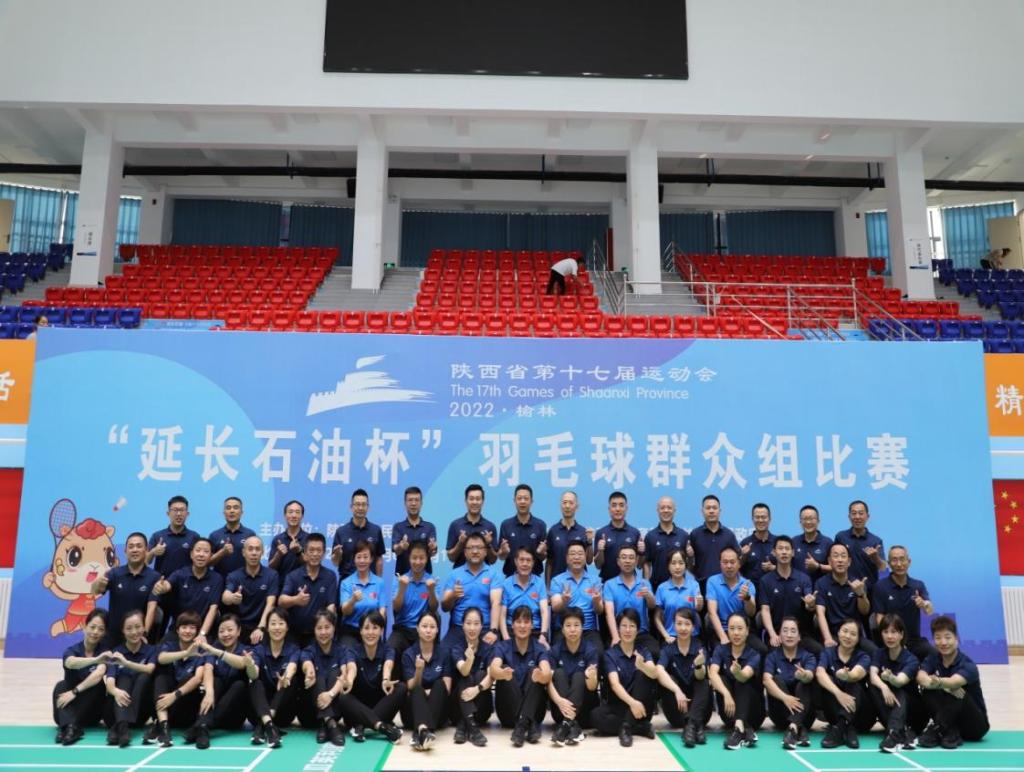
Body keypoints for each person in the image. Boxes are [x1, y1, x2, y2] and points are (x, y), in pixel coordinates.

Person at [916, 615, 990, 748]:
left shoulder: (968, 664)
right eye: (938, 638)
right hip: (951, 721)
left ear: (957, 638)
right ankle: (949, 731)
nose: (943, 642)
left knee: (957, 691)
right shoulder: (933, 658)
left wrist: (941, 684)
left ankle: (938, 728)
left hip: (975, 726)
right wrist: (942, 685)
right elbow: (920, 677)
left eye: (947, 637)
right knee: (927, 690)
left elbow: (954, 682)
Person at [333, 611, 404, 743]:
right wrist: (349, 681)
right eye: (366, 628)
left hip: (379, 706)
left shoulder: (388, 649)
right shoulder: (352, 650)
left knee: (400, 688)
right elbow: (352, 667)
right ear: (360, 631)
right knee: (343, 696)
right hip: (357, 708)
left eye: (375, 628)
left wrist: (386, 680)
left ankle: (361, 726)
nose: (370, 632)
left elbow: (388, 665)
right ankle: (382, 727)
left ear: (381, 631)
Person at [590, 608, 658, 748]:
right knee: (595, 716)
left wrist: (642, 666)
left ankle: (626, 727)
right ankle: (639, 727)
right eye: (624, 626)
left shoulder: (643, 651)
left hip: (642, 707)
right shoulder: (610, 654)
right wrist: (633, 703)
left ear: (637, 630)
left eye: (632, 626)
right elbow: (615, 685)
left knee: (643, 673)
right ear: (618, 629)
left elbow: (654, 673)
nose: (627, 630)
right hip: (621, 705)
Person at [149, 610, 213, 749]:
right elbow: (161, 658)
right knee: (161, 676)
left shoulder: (202, 651)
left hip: (185, 704)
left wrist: (174, 695)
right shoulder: (169, 645)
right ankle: (164, 727)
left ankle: (158, 724)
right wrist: (185, 653)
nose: (187, 631)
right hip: (166, 706)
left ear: (197, 631)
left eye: (192, 628)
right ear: (177, 630)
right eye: (184, 627)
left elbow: (198, 678)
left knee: (189, 677)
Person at [490, 605, 549, 746]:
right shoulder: (502, 646)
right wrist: (502, 674)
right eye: (518, 622)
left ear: (532, 625)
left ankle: (522, 724)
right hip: (508, 714)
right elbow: (493, 669)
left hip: (535, 712)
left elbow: (547, 674)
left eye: (526, 622)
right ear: (512, 625)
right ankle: (527, 721)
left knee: (535, 670)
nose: (522, 626)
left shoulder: (539, 648)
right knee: (505, 669)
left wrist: (540, 676)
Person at [147, 538, 224, 640]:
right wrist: (162, 587)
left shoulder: (216, 579)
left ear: (211, 555)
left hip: (202, 632)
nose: (201, 554)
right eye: (198, 550)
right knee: (161, 649)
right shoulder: (180, 574)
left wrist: (202, 634)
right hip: (178, 630)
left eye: (206, 551)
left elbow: (213, 609)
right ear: (191, 554)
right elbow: (167, 585)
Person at [656, 608, 711, 748]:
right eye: (679, 623)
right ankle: (695, 726)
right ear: (674, 625)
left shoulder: (699, 647)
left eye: (687, 624)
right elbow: (659, 670)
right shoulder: (668, 648)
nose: (683, 628)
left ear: (693, 627)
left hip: (700, 712)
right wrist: (677, 691)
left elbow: (702, 675)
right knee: (669, 679)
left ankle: (690, 725)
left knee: (703, 682)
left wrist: (698, 665)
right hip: (676, 713)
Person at [544, 607, 599, 746]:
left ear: (582, 628)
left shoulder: (591, 650)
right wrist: (558, 701)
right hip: (560, 709)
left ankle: (565, 726)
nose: (572, 629)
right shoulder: (555, 651)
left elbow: (592, 688)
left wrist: (591, 677)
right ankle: (571, 725)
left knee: (580, 676)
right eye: (568, 625)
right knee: (559, 673)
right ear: (562, 629)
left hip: (584, 710)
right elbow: (548, 682)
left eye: (576, 625)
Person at [53, 608, 109, 746]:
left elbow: (99, 674)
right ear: (84, 626)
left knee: (98, 686)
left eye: (101, 629)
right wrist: (95, 660)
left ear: (105, 633)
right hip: (68, 709)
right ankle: (70, 727)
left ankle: (68, 727)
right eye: (92, 627)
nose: (95, 632)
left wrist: (75, 692)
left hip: (91, 713)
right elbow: (70, 663)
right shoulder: (72, 650)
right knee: (60, 685)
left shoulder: (105, 651)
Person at [91, 531, 161, 641]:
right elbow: (95, 591)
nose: (134, 550)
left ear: (146, 550)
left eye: (139, 546)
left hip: (137, 636)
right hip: (114, 637)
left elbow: (151, 608)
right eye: (131, 547)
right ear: (125, 551)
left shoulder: (154, 577)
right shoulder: (114, 573)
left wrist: (144, 633)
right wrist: (98, 582)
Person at [201, 613, 259, 743]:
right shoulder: (214, 648)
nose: (226, 634)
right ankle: (203, 726)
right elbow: (208, 668)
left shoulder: (246, 650)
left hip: (234, 716)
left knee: (239, 685)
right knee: (215, 681)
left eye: (230, 630)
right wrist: (209, 693)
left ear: (238, 631)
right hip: (213, 706)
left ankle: (202, 726)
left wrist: (249, 664)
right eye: (221, 631)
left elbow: (246, 667)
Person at [708, 613, 763, 750]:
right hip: (729, 711)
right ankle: (745, 729)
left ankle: (739, 729)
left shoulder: (754, 654)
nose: (736, 633)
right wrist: (726, 694)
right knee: (722, 679)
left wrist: (738, 672)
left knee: (741, 681)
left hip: (753, 714)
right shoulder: (721, 650)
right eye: (732, 628)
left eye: (740, 628)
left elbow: (744, 676)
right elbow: (712, 673)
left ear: (747, 631)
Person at [816, 617, 873, 749]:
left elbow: (857, 674)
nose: (848, 636)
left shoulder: (863, 656)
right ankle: (848, 729)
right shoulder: (828, 653)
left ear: (858, 639)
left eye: (853, 634)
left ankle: (840, 728)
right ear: (838, 632)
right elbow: (819, 673)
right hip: (834, 712)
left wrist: (848, 676)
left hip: (861, 716)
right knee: (828, 681)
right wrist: (838, 693)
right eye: (845, 631)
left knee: (854, 684)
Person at [103, 609, 156, 747]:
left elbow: (149, 669)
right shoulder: (116, 652)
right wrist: (116, 692)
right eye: (129, 628)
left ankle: (119, 726)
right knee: (124, 679)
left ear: (144, 628)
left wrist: (126, 663)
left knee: (143, 676)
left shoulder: (151, 650)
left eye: (138, 627)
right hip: (116, 710)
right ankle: (122, 726)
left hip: (139, 714)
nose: (134, 632)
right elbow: (110, 682)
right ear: (123, 631)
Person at [872, 545, 936, 660]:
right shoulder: (880, 586)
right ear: (889, 563)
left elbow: (929, 610)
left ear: (909, 561)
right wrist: (892, 639)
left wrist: (924, 604)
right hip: (891, 641)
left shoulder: (918, 585)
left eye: (902, 559)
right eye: (894, 560)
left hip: (914, 641)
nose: (899, 564)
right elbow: (879, 619)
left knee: (935, 655)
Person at [870, 613, 923, 753]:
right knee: (874, 687)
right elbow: (873, 675)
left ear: (901, 634)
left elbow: (900, 681)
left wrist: (890, 678)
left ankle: (894, 733)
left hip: (913, 712)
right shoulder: (879, 653)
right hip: (892, 710)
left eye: (894, 632)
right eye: (885, 632)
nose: (889, 636)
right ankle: (900, 731)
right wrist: (884, 686)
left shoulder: (911, 659)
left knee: (900, 691)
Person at [248, 608, 300, 748]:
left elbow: (293, 666)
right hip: (258, 711)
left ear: (287, 627)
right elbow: (254, 673)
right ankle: (269, 726)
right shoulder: (258, 650)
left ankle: (263, 725)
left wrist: (286, 677)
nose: (277, 627)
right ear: (267, 628)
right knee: (254, 681)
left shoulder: (293, 649)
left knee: (291, 681)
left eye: (281, 623)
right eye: (273, 623)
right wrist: (250, 665)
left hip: (282, 714)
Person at [762, 617, 816, 750]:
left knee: (804, 683)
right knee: (776, 679)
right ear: (780, 635)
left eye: (793, 631)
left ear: (799, 637)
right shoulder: (772, 656)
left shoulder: (808, 656)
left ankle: (793, 727)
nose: (789, 635)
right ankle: (799, 727)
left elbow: (810, 675)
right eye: (785, 631)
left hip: (806, 716)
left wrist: (804, 676)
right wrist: (785, 698)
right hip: (780, 716)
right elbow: (766, 680)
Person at [758, 535, 818, 654]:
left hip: (801, 633)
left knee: (819, 651)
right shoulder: (765, 580)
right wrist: (772, 634)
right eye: (780, 548)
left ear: (793, 552)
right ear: (774, 552)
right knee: (772, 654)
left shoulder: (804, 579)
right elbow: (765, 610)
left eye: (787, 549)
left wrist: (811, 604)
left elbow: (809, 604)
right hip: (777, 633)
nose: (784, 552)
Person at [441, 533, 500, 649]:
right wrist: (453, 595)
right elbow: (444, 607)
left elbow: (496, 603)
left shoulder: (493, 575)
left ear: (485, 551)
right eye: (471, 548)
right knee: (442, 653)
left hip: (484, 628)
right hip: (458, 628)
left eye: (479, 547)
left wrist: (493, 630)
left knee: (497, 655)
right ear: (465, 552)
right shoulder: (454, 575)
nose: (475, 551)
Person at [278, 533, 338, 648]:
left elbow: (331, 606)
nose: (315, 554)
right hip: (293, 634)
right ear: (305, 552)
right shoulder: (293, 576)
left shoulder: (330, 576)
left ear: (324, 553)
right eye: (311, 550)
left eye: (318, 550)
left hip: (318, 635)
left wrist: (326, 628)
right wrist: (296, 600)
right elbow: (281, 601)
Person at [402, 611, 450, 751]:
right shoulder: (408, 654)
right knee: (417, 688)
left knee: (440, 684)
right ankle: (425, 731)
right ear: (417, 629)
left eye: (432, 627)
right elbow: (410, 686)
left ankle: (420, 731)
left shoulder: (444, 653)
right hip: (413, 713)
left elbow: (447, 688)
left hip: (438, 712)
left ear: (437, 630)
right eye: (424, 626)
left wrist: (428, 692)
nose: (428, 630)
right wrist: (418, 671)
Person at [814, 543, 874, 654]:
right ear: (829, 561)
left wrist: (861, 594)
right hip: (833, 634)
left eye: (843, 556)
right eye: (836, 556)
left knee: (875, 652)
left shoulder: (857, 583)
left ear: (849, 561)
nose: (840, 560)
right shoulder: (821, 583)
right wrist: (828, 638)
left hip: (854, 635)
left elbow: (864, 611)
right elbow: (820, 613)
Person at [299, 609, 348, 746]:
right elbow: (306, 664)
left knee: (335, 672)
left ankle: (324, 723)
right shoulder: (309, 650)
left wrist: (330, 694)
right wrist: (309, 672)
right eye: (319, 628)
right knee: (317, 675)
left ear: (334, 628)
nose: (323, 632)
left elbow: (344, 674)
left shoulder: (341, 650)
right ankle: (331, 724)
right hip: (310, 713)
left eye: (327, 627)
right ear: (314, 630)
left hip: (335, 707)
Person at [602, 543, 658, 657]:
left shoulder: (644, 583)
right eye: (624, 557)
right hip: (620, 633)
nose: (627, 561)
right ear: (618, 561)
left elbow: (652, 606)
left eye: (631, 557)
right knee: (611, 656)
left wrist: (649, 595)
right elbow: (609, 613)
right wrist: (615, 637)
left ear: (636, 561)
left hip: (641, 633)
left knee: (655, 652)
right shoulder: (609, 584)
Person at [548, 540, 604, 653]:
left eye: (580, 554)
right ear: (567, 558)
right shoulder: (557, 580)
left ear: (585, 557)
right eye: (573, 554)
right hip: (564, 629)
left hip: (588, 630)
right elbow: (555, 608)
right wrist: (564, 600)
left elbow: (599, 611)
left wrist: (596, 602)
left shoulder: (595, 581)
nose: (576, 557)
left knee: (599, 653)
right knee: (556, 654)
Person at [222, 535, 279, 645]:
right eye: (250, 549)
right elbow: (225, 597)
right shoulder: (234, 576)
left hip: (261, 625)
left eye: (257, 549)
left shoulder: (272, 575)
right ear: (243, 552)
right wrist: (232, 598)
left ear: (262, 552)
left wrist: (260, 628)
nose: (254, 553)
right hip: (239, 627)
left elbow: (270, 604)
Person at [706, 547, 763, 654]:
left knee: (761, 649)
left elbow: (751, 613)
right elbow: (712, 612)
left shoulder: (747, 584)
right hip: (722, 629)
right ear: (720, 564)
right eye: (725, 562)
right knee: (721, 652)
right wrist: (723, 637)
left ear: (739, 564)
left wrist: (747, 598)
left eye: (732, 562)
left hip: (742, 630)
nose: (729, 566)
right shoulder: (712, 581)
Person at [450, 606, 493, 747]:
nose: (472, 628)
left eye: (476, 623)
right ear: (462, 625)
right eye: (468, 623)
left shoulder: (488, 648)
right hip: (458, 709)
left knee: (481, 674)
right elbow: (464, 671)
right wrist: (469, 659)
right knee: (466, 677)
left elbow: (491, 676)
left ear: (482, 626)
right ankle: (473, 728)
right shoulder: (457, 648)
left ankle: (464, 726)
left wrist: (477, 689)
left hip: (482, 709)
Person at [387, 541, 438, 656]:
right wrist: (402, 589)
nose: (418, 562)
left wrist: (431, 591)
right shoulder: (399, 580)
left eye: (421, 558)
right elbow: (396, 608)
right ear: (409, 559)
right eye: (414, 558)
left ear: (427, 559)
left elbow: (434, 608)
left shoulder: (432, 581)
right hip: (402, 630)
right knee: (390, 650)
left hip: (423, 630)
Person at [337, 540, 386, 648]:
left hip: (372, 630)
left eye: (365, 557)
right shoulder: (346, 583)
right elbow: (345, 611)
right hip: (351, 631)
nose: (362, 561)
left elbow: (382, 611)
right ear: (354, 559)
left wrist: (378, 629)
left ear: (371, 559)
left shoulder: (379, 582)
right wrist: (353, 600)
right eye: (358, 557)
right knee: (347, 653)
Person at [686, 494, 740, 589]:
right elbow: (689, 565)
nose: (711, 511)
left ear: (719, 511)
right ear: (702, 511)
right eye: (708, 508)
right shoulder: (695, 534)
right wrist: (690, 557)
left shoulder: (729, 535)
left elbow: (737, 561)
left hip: (724, 586)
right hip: (702, 585)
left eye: (714, 508)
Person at [498, 548, 550, 645]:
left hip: (535, 630)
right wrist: (506, 638)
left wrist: (543, 635)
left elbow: (544, 611)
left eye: (528, 560)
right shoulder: (506, 584)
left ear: (533, 563)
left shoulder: (539, 583)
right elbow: (502, 615)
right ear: (515, 561)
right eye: (521, 560)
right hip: (511, 630)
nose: (525, 564)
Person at [654, 548, 703, 647]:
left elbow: (698, 608)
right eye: (673, 563)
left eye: (681, 563)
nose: (677, 567)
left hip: (692, 636)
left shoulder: (694, 585)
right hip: (671, 637)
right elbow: (657, 617)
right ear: (668, 566)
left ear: (686, 565)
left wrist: (700, 604)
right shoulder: (662, 588)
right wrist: (666, 636)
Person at [331, 489, 385, 579]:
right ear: (351, 507)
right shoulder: (341, 531)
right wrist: (337, 555)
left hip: (369, 582)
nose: (360, 508)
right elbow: (335, 563)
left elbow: (379, 559)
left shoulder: (376, 530)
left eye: (363, 504)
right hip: (347, 582)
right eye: (357, 504)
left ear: (368, 507)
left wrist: (378, 582)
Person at [497, 484, 547, 577]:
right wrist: (504, 552)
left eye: (526, 498)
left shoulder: (540, 525)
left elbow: (543, 557)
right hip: (511, 578)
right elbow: (501, 557)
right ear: (514, 501)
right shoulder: (506, 525)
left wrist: (541, 553)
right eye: (519, 498)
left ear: (531, 501)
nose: (522, 501)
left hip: (534, 579)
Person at [834, 500, 886, 590]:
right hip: (844, 588)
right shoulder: (841, 537)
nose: (857, 517)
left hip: (869, 590)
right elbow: (834, 562)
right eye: (854, 513)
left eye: (861, 513)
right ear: (849, 516)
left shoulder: (876, 541)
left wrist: (875, 558)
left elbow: (883, 568)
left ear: (867, 516)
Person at [544, 491, 593, 586]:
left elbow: (589, 561)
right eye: (564, 502)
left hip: (579, 584)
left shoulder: (583, 531)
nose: (567, 506)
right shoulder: (553, 531)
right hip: (557, 585)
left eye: (571, 503)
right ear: (560, 506)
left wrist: (590, 542)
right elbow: (549, 562)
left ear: (577, 506)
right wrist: (548, 587)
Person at [593, 490, 642, 583]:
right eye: (614, 505)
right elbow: (598, 565)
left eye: (621, 505)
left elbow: (639, 565)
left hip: (630, 584)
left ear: (626, 508)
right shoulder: (601, 533)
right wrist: (600, 551)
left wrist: (641, 552)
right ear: (609, 509)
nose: (617, 509)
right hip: (607, 583)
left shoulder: (635, 533)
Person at [147, 495, 202, 578]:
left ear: (187, 514)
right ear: (168, 513)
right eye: (175, 510)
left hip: (187, 583)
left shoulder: (194, 536)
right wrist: (153, 552)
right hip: (162, 582)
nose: (179, 514)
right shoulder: (157, 536)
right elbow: (146, 561)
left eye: (182, 510)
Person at [446, 483, 499, 568]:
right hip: (460, 574)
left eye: (478, 499)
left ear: (482, 501)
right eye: (471, 499)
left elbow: (493, 560)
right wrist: (460, 543)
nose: (474, 502)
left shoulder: (490, 527)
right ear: (466, 501)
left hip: (484, 575)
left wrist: (488, 544)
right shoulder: (455, 525)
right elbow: (451, 558)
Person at [643, 496, 688, 590]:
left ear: (674, 510)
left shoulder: (683, 535)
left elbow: (688, 562)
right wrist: (647, 585)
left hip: (679, 589)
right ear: (657, 511)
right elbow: (647, 563)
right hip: (656, 588)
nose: (666, 510)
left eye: (669, 507)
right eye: (662, 508)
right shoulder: (650, 536)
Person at [391, 487, 438, 576]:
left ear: (421, 503)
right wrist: (401, 546)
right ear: (405, 503)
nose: (413, 503)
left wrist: (432, 548)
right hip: (402, 577)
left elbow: (432, 553)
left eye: (416, 500)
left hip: (424, 579)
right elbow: (396, 550)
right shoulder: (398, 527)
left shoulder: (429, 527)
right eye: (410, 500)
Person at [208, 496, 256, 579]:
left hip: (244, 581)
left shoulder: (250, 534)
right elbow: (207, 563)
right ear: (224, 512)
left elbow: (255, 560)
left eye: (236, 508)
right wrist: (222, 552)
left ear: (241, 512)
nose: (232, 511)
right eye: (228, 508)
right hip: (220, 582)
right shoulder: (214, 535)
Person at [791, 505, 833, 583]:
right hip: (797, 588)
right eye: (805, 519)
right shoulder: (793, 542)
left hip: (820, 588)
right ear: (800, 522)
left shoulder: (827, 543)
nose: (808, 522)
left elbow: (835, 568)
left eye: (811, 519)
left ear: (818, 521)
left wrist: (818, 566)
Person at [268, 500, 308, 579]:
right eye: (290, 512)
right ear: (285, 515)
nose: (294, 515)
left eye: (297, 512)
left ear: (302, 516)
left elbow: (311, 566)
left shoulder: (309, 539)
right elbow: (271, 568)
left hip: (303, 584)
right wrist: (279, 554)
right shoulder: (277, 539)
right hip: (281, 584)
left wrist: (299, 552)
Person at [739, 502, 776, 584]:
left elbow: (788, 569)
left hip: (773, 589)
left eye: (763, 517)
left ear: (770, 519)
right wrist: (744, 556)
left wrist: (773, 568)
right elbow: (737, 568)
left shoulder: (777, 543)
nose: (760, 520)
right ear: (752, 519)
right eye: (757, 517)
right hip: (750, 589)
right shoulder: (745, 543)